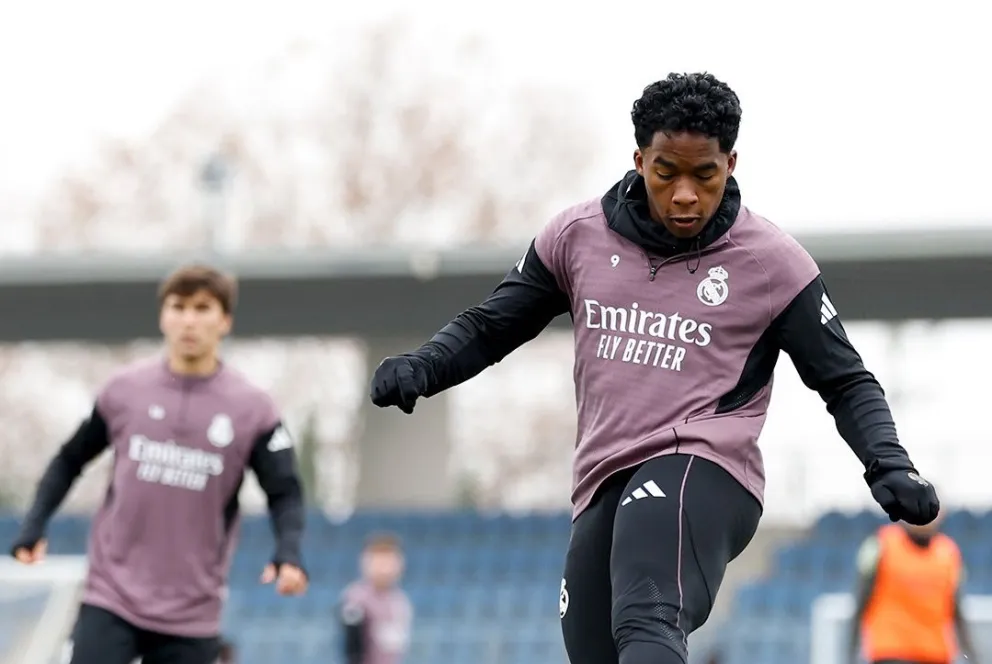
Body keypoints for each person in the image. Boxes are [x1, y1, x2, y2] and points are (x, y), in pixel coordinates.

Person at [368, 72, 940, 664]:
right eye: (667, 173)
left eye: (705, 174)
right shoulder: (575, 237)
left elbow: (845, 380)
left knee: (647, 610)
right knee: (595, 648)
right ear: (640, 160)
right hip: (603, 481)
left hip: (707, 470)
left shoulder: (773, 263)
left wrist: (888, 464)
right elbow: (493, 324)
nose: (686, 194)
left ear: (732, 163)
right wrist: (425, 364)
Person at [9, 264, 308, 664]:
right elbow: (69, 459)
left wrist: (288, 552)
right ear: (163, 316)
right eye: (178, 306)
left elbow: (285, 490)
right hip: (111, 596)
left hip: (193, 611)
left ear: (224, 321)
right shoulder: (124, 391)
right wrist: (34, 526)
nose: (189, 319)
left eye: (202, 308)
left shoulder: (253, 409)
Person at [849, 513, 976, 664]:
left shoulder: (949, 553)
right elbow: (861, 601)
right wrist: (851, 652)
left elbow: (957, 611)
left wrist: (973, 656)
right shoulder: (880, 544)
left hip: (936, 654)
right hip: (891, 651)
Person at [340, 533, 413, 664]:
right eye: (379, 560)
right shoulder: (356, 598)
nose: (384, 568)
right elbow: (353, 647)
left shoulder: (400, 601)